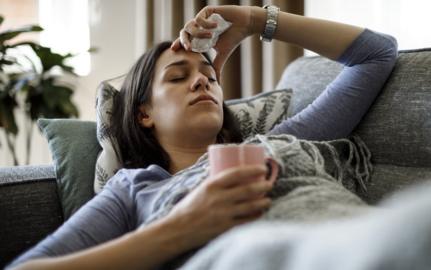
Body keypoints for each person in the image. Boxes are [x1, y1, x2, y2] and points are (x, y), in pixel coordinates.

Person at [8, 5, 397, 270]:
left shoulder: (268, 145)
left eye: (210, 77)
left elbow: (376, 55)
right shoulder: (134, 188)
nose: (201, 80)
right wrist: (182, 227)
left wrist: (250, 19)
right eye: (178, 77)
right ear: (144, 113)